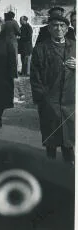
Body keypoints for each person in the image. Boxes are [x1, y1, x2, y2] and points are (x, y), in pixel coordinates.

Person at [30, 15, 75, 165]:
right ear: (49, 28)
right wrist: (42, 97)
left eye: (62, 25)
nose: (59, 28)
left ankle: (69, 161)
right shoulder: (40, 49)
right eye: (55, 25)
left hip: (70, 97)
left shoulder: (74, 46)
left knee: (69, 131)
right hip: (50, 96)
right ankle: (50, 160)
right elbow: (35, 76)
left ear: (67, 28)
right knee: (51, 128)